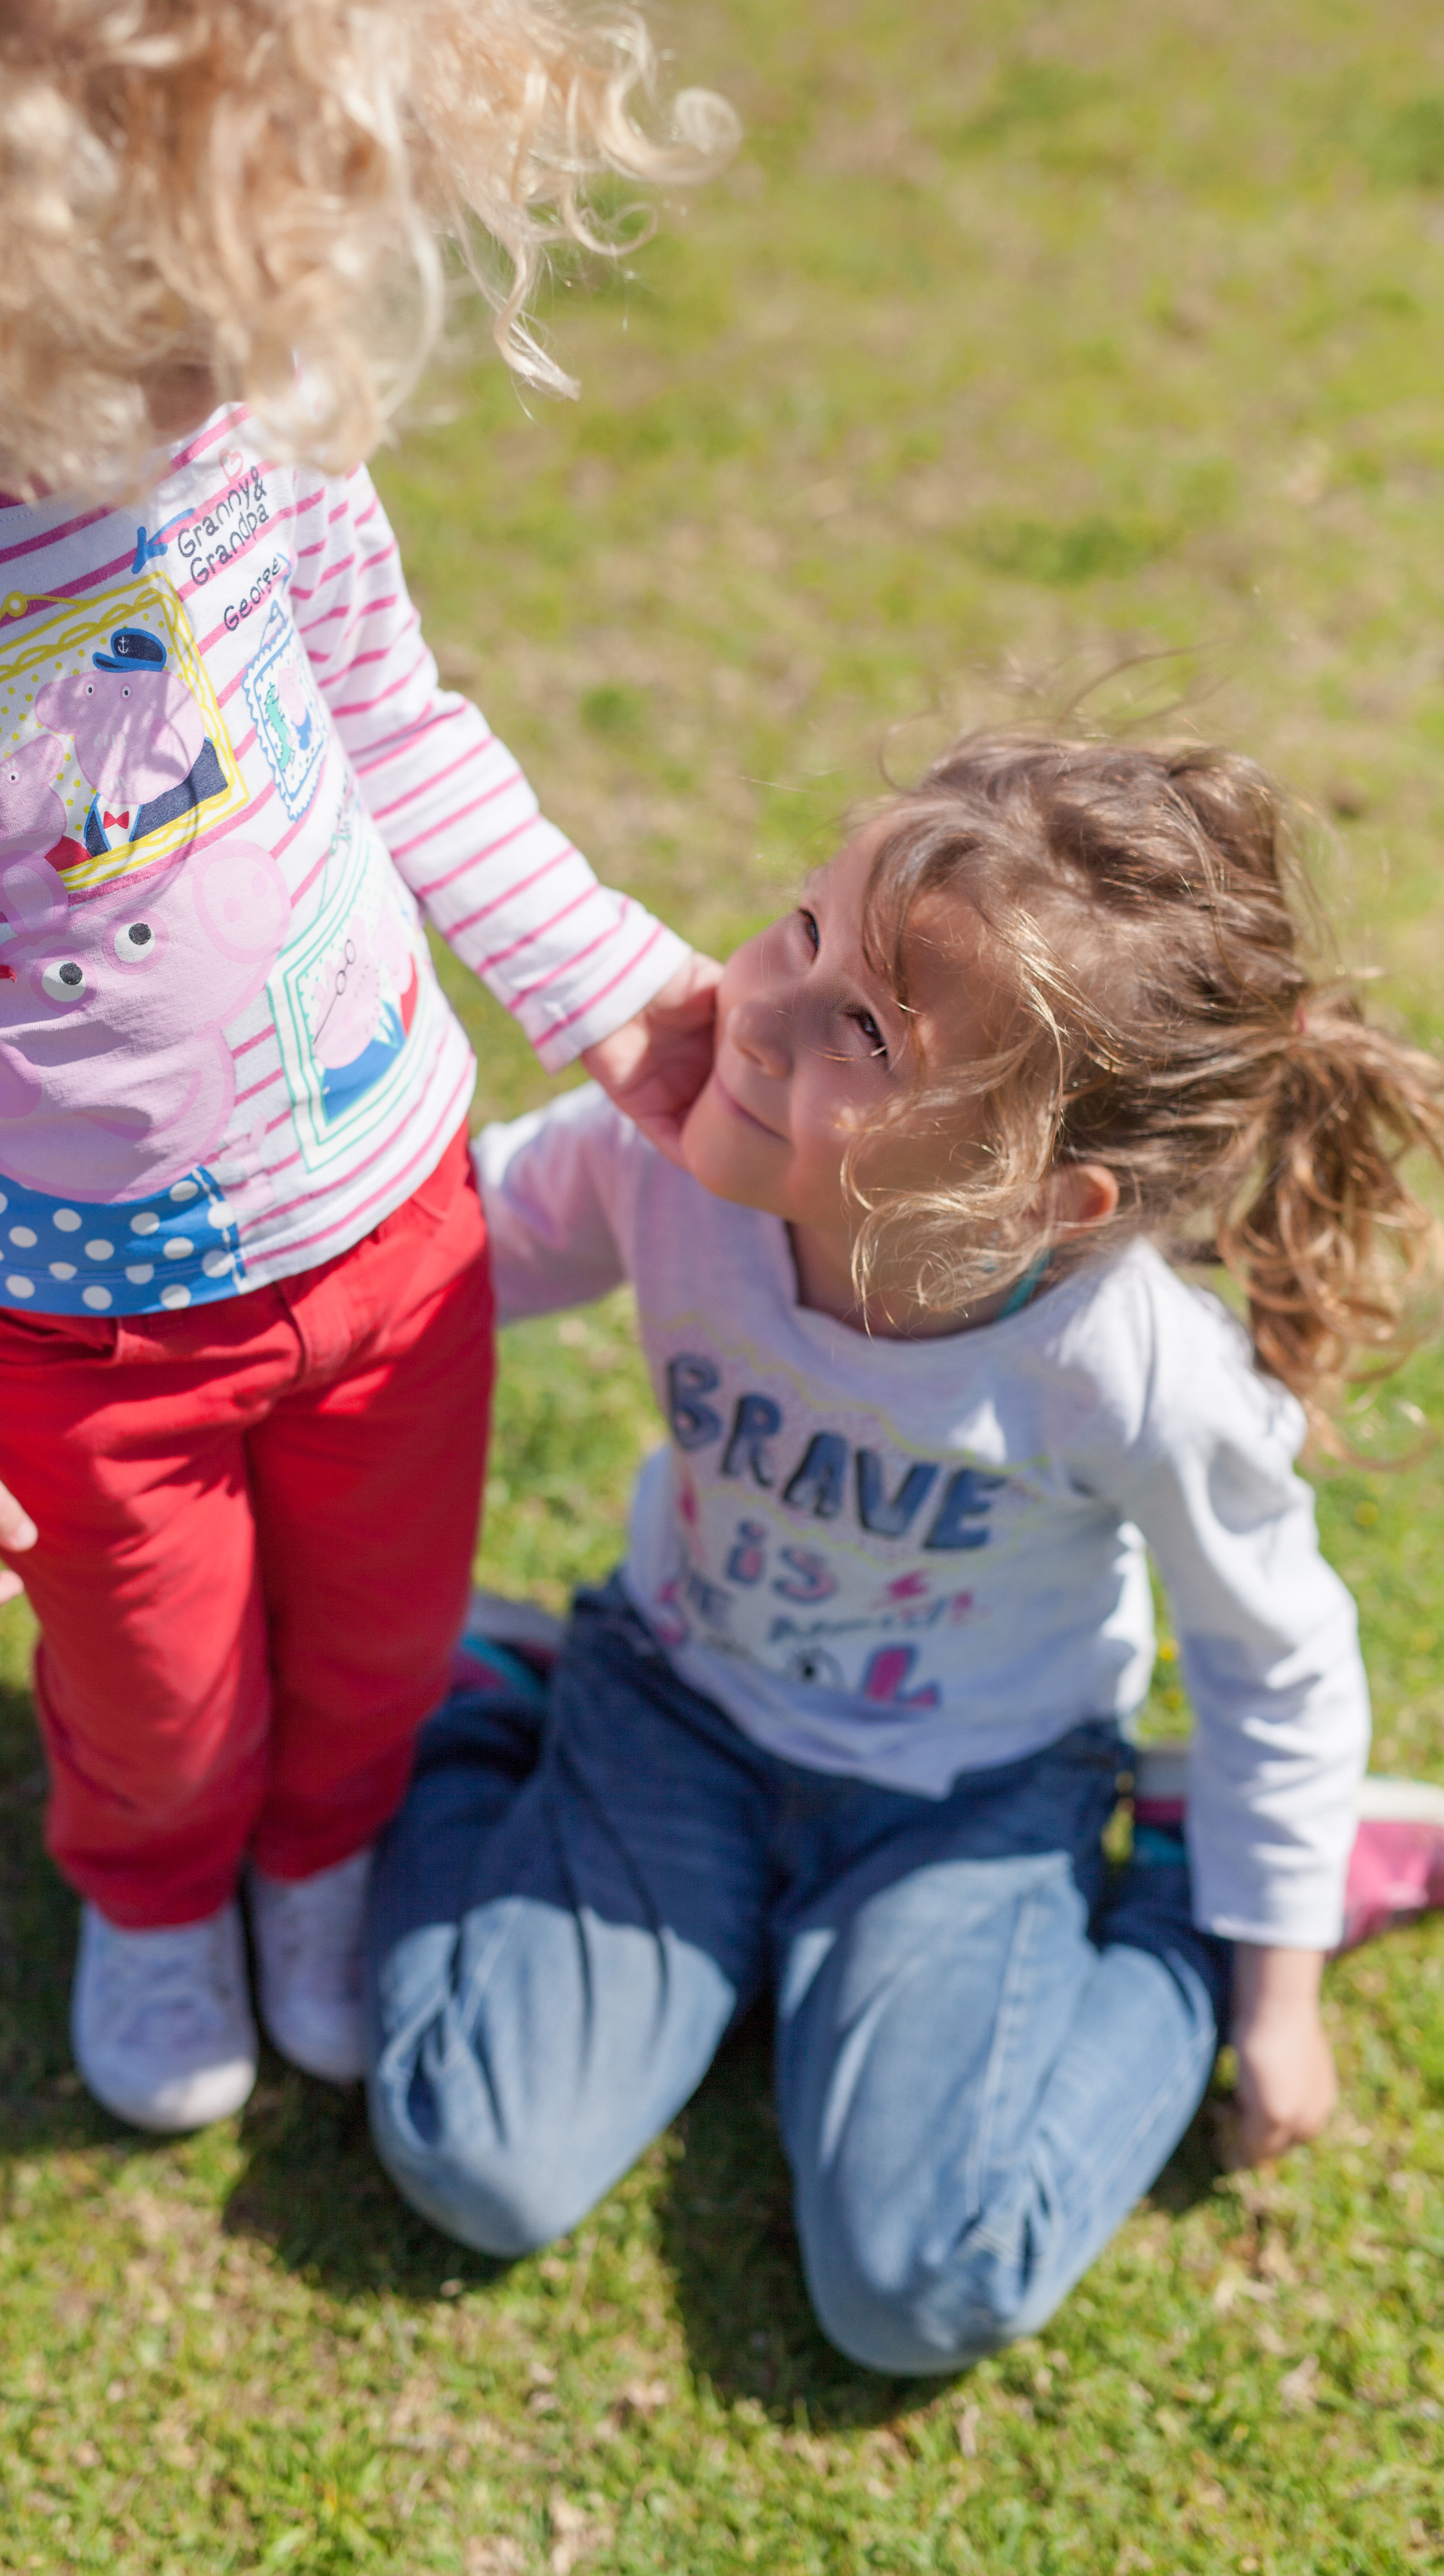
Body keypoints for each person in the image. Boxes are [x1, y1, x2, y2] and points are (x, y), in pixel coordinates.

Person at [0, 0, 734, 2130]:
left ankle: (326, 1858)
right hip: (70, 1326)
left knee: (382, 1632)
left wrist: (606, 978)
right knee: (155, 1690)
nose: (225, 385)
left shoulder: (222, 414)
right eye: (174, 335)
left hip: (394, 1212)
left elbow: (398, 722)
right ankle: (154, 1894)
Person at [367, 734, 1444, 2374]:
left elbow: (1269, 1658)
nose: (755, 1006)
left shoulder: (1132, 1371)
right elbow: (441, 1260)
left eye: (863, 1028)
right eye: (799, 929)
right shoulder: (675, 1157)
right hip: (675, 1703)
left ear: (1047, 1196)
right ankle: (490, 1700)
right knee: (470, 2155)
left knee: (918, 2287)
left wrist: (1269, 1997)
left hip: (970, 1798)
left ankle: (1173, 1882)